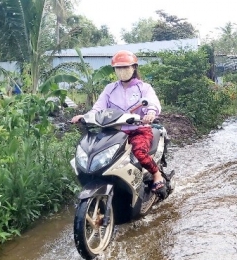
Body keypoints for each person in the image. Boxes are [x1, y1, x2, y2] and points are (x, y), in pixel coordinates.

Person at [70, 50, 166, 194]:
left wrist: (150, 113)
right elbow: (98, 107)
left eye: (125, 67)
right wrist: (85, 116)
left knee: (139, 152)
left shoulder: (144, 88)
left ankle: (156, 174)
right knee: (96, 152)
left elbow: (152, 102)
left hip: (138, 129)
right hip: (115, 131)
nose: (122, 71)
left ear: (134, 68)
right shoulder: (110, 88)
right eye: (118, 68)